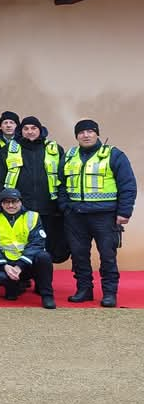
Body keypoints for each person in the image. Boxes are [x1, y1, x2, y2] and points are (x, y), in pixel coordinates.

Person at [60, 119, 136, 307]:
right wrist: (64, 206)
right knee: (78, 255)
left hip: (105, 216)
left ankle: (109, 293)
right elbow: (60, 184)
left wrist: (124, 212)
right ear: (76, 136)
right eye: (81, 132)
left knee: (107, 256)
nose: (86, 135)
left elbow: (128, 185)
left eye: (90, 131)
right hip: (75, 216)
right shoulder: (69, 155)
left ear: (97, 134)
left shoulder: (113, 155)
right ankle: (84, 289)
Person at [0, 116, 69, 263]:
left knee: (47, 248)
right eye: (26, 128)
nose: (30, 131)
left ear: (40, 130)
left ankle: (43, 281)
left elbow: (64, 178)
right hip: (19, 209)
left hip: (49, 208)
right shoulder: (9, 150)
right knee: (21, 246)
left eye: (34, 128)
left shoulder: (54, 148)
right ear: (21, 131)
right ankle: (22, 278)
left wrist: (62, 204)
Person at [0, 188, 57, 309]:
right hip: (6, 264)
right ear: (1, 203)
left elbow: (37, 243)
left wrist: (20, 265)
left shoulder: (32, 216)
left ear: (20, 202)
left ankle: (47, 295)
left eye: (14, 201)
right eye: (7, 202)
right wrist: (4, 266)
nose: (11, 205)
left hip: (27, 263)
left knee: (44, 257)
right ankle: (15, 287)